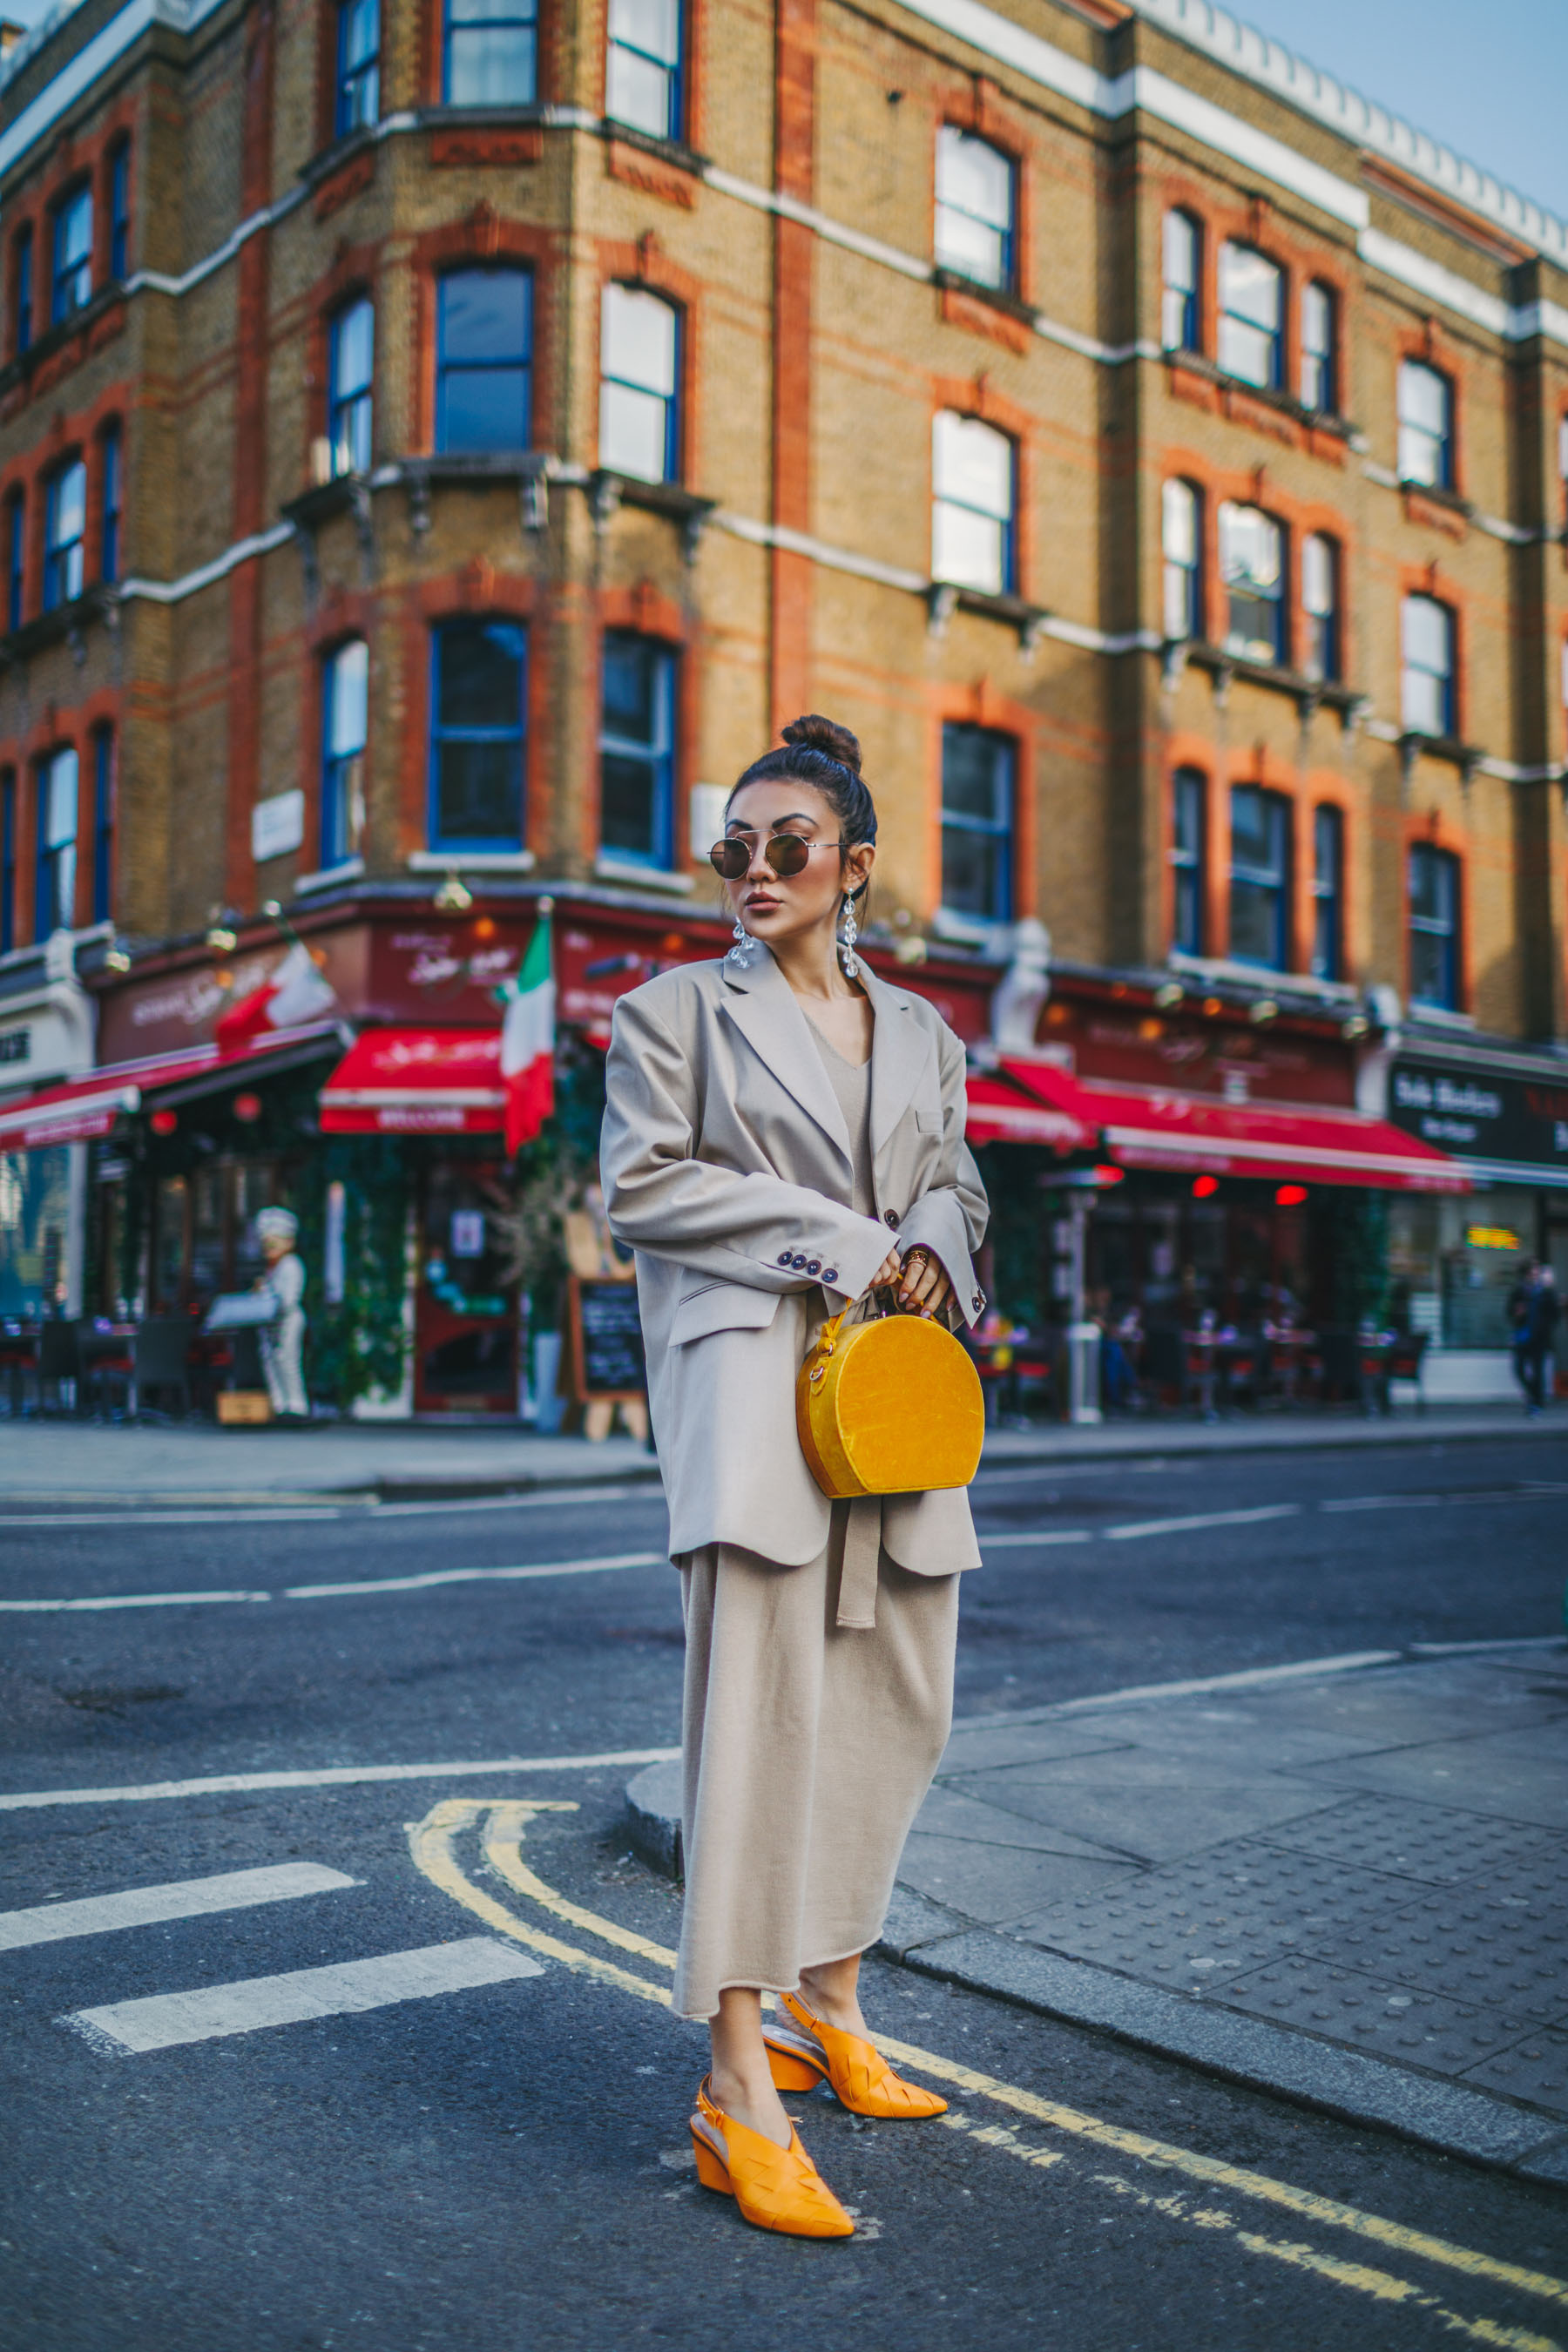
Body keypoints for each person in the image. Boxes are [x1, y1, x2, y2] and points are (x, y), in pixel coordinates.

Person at [600, 713, 989, 2240]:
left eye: (788, 846)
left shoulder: (928, 1035)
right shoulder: (672, 1013)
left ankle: (829, 2003)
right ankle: (732, 2084)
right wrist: (850, 1245)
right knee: (755, 1740)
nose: (753, 871)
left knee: (900, 1703)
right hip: (759, 1400)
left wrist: (933, 1257)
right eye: (733, 849)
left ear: (855, 869)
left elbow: (954, 1178)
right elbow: (641, 1185)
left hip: (894, 1404)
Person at [254, 1206, 308, 1421]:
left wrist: (270, 1298)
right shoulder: (273, 1269)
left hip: (287, 1319)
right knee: (271, 1360)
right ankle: (279, 1403)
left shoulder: (291, 1265)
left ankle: (296, 1404)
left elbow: (288, 1298)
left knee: (287, 1359)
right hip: (271, 1322)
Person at [1514, 1262, 1559, 1416]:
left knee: (1537, 1372)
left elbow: (1555, 1316)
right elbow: (1510, 1310)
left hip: (1538, 1339)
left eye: (1538, 1274)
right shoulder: (1521, 1290)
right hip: (1522, 1336)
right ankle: (1534, 1396)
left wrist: (1544, 1327)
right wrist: (1517, 1313)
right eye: (1533, 1274)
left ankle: (1536, 1403)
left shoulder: (1547, 1293)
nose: (1536, 1276)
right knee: (1518, 1369)